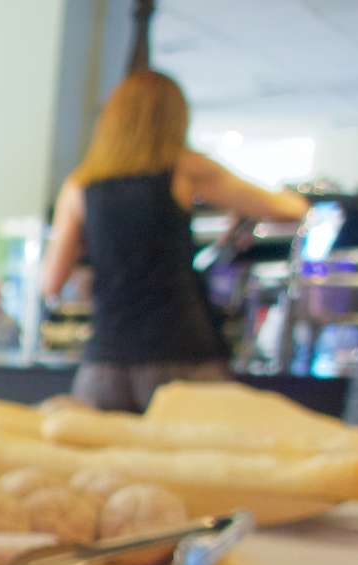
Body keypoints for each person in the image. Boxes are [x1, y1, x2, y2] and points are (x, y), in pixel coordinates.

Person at [41, 70, 308, 412]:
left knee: (100, 464)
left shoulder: (80, 186)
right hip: (183, 355)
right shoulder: (184, 168)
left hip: (106, 363)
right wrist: (294, 197)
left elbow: (50, 282)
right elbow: (285, 209)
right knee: (200, 463)